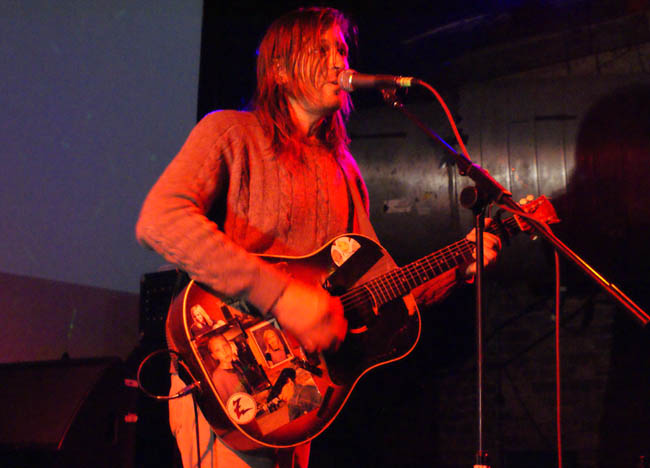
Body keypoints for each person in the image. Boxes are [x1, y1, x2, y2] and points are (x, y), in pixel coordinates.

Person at [135, 6, 501, 468]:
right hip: (223, 370)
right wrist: (282, 297)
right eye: (321, 49)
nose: (339, 61)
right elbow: (159, 219)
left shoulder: (343, 170)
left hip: (297, 396)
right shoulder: (229, 132)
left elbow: (381, 288)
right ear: (281, 70)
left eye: (341, 49)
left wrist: (460, 265)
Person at [208, 334, 246, 401]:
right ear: (214, 356)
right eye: (218, 350)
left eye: (225, 345)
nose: (224, 351)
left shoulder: (237, 366)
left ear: (229, 345)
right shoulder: (217, 377)